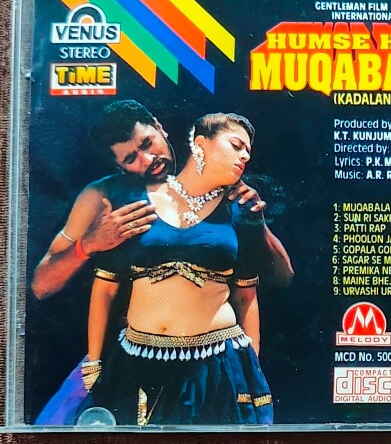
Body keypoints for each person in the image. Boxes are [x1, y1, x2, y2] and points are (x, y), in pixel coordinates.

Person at [81, 113, 276, 425]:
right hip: (136, 362)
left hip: (215, 365)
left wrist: (251, 369)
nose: (245, 157)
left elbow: (246, 296)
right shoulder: (132, 201)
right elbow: (104, 288)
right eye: (236, 145)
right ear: (201, 144)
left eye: (248, 151)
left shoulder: (241, 209)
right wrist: (93, 363)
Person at [31, 100, 293, 301]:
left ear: (159, 127)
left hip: (215, 341)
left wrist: (256, 224)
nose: (147, 160)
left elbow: (284, 277)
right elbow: (41, 286)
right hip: (133, 343)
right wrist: (89, 244)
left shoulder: (217, 171)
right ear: (119, 166)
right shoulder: (102, 195)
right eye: (130, 159)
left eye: (147, 143)